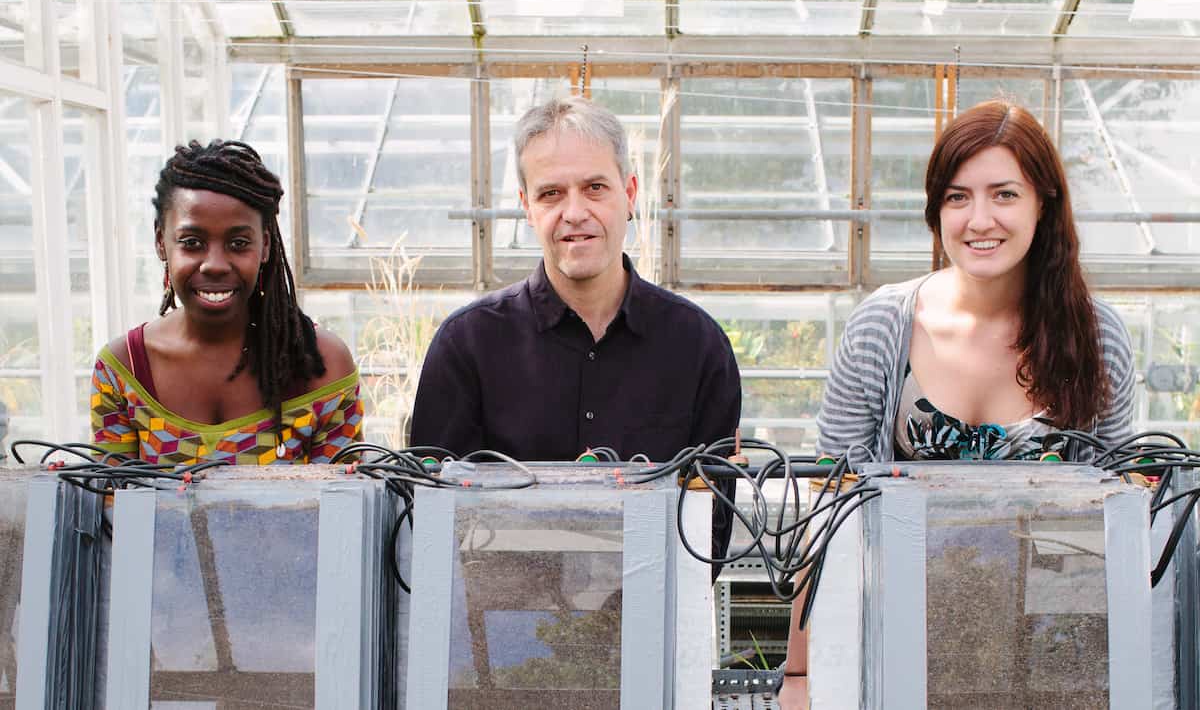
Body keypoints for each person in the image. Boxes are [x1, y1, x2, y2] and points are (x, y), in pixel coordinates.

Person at [777, 101, 1135, 708]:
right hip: (900, 647)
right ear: (935, 210)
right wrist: (801, 676)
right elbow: (831, 513)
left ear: (1043, 202)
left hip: (1056, 654)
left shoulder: (1096, 338)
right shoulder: (882, 328)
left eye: (1003, 194)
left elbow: (1124, 522)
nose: (979, 219)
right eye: (956, 197)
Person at [410, 96, 741, 550]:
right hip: (499, 616)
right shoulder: (467, 346)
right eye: (551, 193)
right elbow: (432, 524)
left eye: (594, 188)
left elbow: (710, 530)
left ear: (629, 193)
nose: (574, 212)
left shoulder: (697, 348)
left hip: (652, 614)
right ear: (527, 207)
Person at [91, 139, 361, 466]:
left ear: (265, 246)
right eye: (192, 243)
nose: (215, 264)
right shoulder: (126, 369)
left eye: (238, 243)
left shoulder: (324, 367)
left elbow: (344, 510)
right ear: (161, 242)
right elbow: (109, 507)